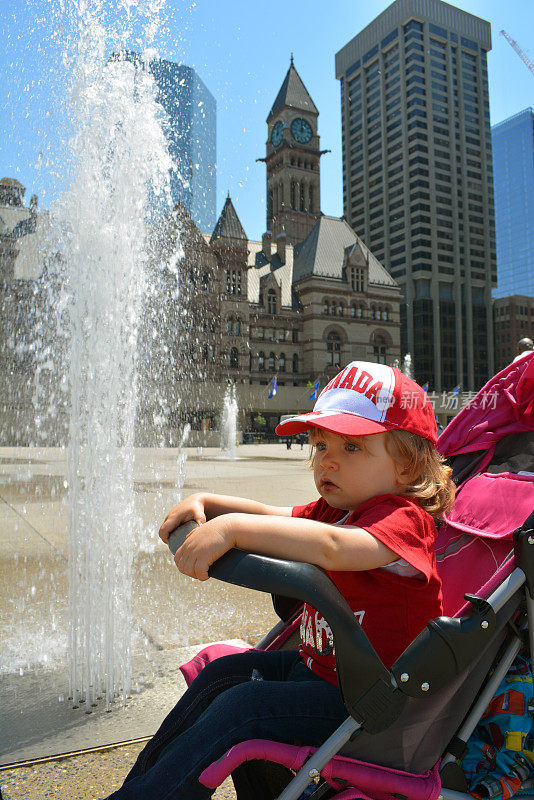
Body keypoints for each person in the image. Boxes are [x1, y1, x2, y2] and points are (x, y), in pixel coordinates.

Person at [106, 361, 455, 800]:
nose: (326, 458)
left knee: (241, 708)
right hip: (319, 673)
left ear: (406, 467)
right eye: (320, 442)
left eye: (351, 447)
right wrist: (207, 503)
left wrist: (232, 529)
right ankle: (140, 788)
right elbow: (273, 515)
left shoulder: (406, 521)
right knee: (221, 675)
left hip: (372, 704)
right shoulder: (338, 507)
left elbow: (332, 546)